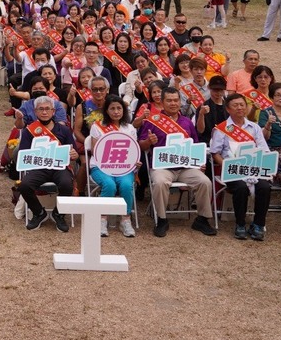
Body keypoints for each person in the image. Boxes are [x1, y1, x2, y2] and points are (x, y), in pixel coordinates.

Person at [139, 87, 215, 237]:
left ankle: (202, 219)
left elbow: (195, 145)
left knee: (204, 182)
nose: (173, 103)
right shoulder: (152, 121)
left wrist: (199, 162)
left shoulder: (186, 122)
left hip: (185, 167)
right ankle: (161, 219)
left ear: (180, 102)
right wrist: (149, 141)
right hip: (162, 167)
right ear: (162, 101)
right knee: (160, 183)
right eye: (169, 100)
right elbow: (141, 145)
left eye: (175, 100)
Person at [209, 93, 271, 241]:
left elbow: (263, 149)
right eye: (235, 105)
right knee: (241, 188)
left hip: (253, 167)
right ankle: (240, 224)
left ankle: (258, 224)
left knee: (265, 187)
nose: (239, 108)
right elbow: (215, 153)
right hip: (231, 169)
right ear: (228, 109)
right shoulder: (222, 128)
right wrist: (226, 165)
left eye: (242, 104)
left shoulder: (255, 128)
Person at [16, 95, 77, 233]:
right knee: (25, 185)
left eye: (47, 109)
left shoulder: (64, 130)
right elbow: (23, 153)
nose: (44, 112)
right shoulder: (29, 130)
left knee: (67, 184)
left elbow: (73, 151)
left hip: (59, 167)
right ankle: (38, 213)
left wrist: (74, 154)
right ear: (35, 112)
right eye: (41, 109)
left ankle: (59, 214)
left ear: (53, 111)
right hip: (39, 167)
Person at [87, 95, 137, 237]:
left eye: (119, 108)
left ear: (124, 110)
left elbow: (133, 151)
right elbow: (96, 152)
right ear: (106, 111)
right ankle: (102, 219)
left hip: (124, 167)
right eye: (112, 108)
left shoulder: (130, 128)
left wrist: (135, 161)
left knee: (127, 185)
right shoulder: (98, 127)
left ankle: (125, 220)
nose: (116, 111)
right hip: (101, 167)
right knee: (109, 184)